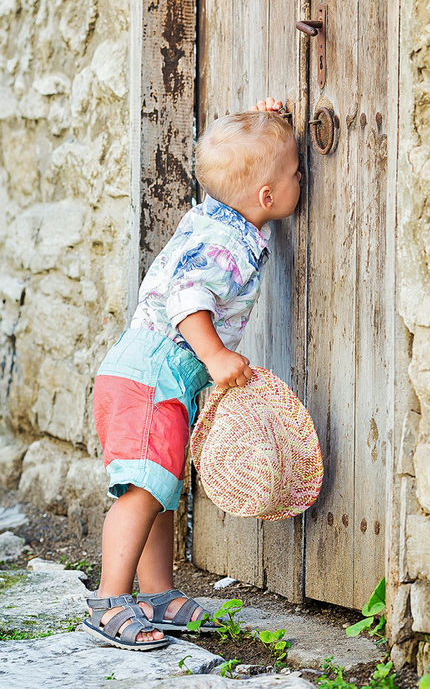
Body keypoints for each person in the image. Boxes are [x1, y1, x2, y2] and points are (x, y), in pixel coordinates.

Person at [83, 97, 302, 650]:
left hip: (148, 375)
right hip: (153, 376)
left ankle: (157, 593)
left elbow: (230, 173)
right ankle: (109, 600)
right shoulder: (223, 241)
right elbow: (185, 296)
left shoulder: (217, 215)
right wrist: (216, 355)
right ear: (267, 197)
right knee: (141, 493)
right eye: (296, 172)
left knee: (159, 488)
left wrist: (263, 122)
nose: (302, 178)